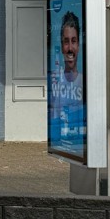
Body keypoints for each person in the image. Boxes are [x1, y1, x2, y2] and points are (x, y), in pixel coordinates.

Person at [49, 11, 84, 149]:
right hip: (61, 142)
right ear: (62, 47)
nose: (70, 48)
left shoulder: (84, 82)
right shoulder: (55, 81)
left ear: (79, 46)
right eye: (66, 42)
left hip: (80, 143)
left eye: (74, 41)